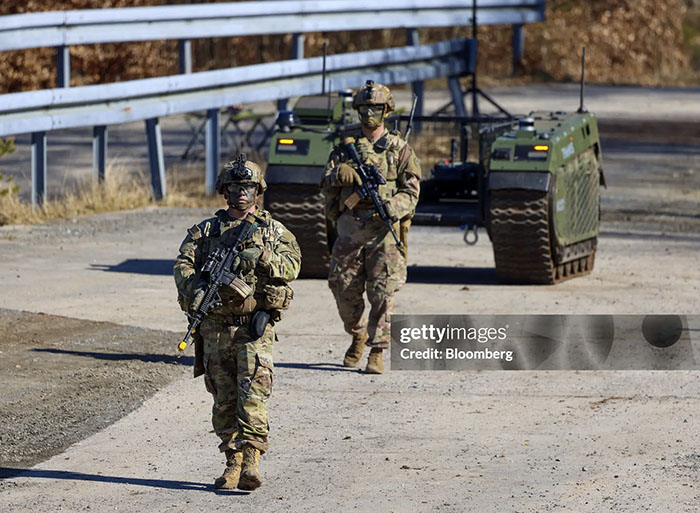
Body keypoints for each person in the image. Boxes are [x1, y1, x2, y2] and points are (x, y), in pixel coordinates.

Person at [173, 154, 301, 491]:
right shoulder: (205, 232)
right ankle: (232, 461)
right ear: (224, 191)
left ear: (258, 191)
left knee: (254, 392)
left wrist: (264, 255)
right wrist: (195, 289)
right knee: (224, 397)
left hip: (252, 326)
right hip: (215, 327)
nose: (241, 192)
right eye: (234, 187)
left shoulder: (273, 230)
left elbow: (292, 266)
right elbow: (183, 266)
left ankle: (251, 461)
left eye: (247, 187)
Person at [321, 80, 422, 374]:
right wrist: (339, 175)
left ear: (386, 111)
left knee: (382, 294)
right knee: (343, 291)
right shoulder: (344, 150)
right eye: (364, 108)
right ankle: (358, 334)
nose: (369, 113)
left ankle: (377, 350)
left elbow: (412, 192)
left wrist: (391, 207)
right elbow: (324, 185)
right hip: (350, 231)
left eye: (375, 108)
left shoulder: (400, 150)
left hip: (383, 234)